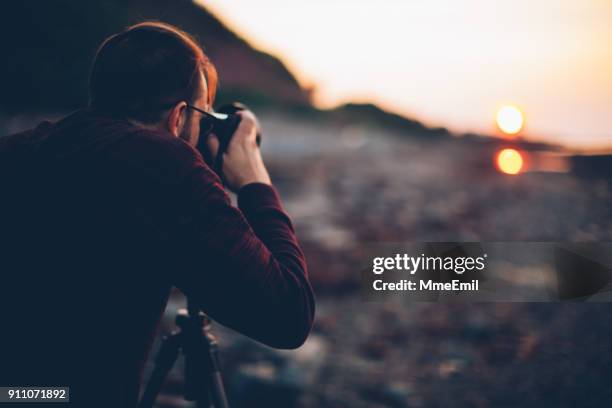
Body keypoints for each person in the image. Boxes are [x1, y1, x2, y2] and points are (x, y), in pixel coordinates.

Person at [0, 22, 315, 407]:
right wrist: (254, 182)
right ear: (179, 117)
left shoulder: (21, 148)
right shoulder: (165, 165)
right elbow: (288, 315)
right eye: (203, 117)